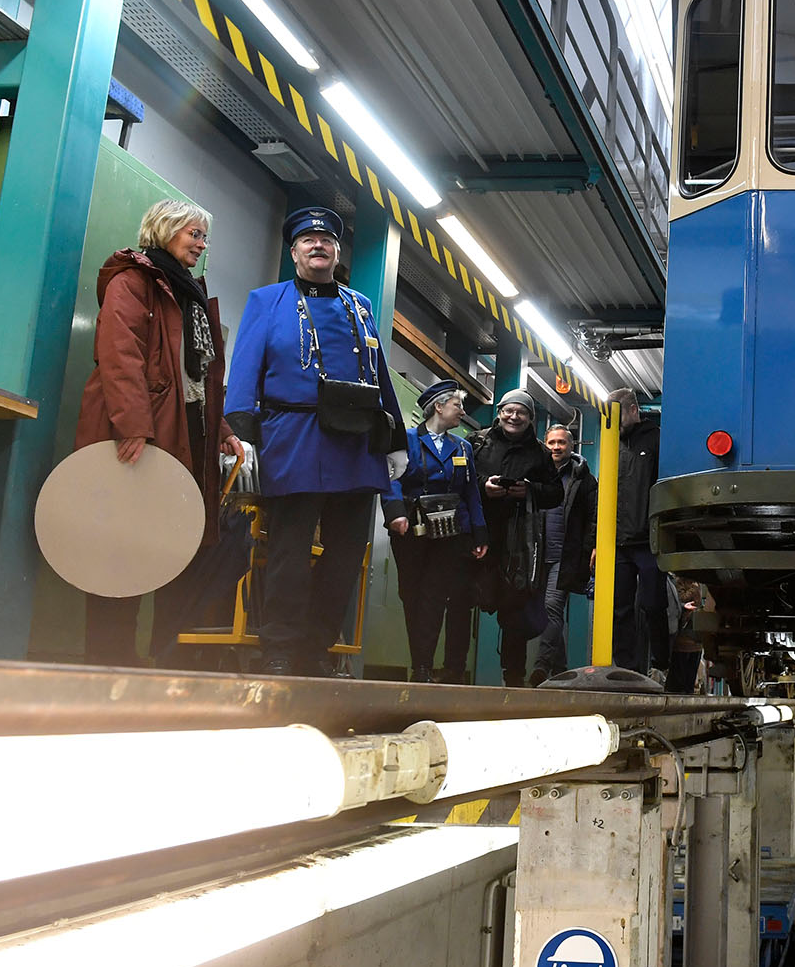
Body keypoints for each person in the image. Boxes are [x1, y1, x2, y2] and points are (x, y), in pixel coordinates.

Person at [224, 206, 407, 675]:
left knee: (346, 556)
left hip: (356, 443)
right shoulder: (268, 301)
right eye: (308, 240)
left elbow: (380, 374)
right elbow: (245, 368)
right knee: (289, 550)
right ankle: (279, 648)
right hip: (294, 437)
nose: (318, 245)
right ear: (294, 252)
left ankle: (316, 646)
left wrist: (395, 440)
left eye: (327, 240)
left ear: (337, 252)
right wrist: (242, 435)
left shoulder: (360, 305)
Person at [74, 200, 242, 666]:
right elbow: (119, 354)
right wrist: (132, 426)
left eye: (204, 237)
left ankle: (154, 662)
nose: (202, 244)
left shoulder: (187, 291)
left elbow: (198, 376)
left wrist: (220, 427)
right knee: (121, 546)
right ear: (165, 229)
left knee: (165, 548)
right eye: (194, 234)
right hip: (143, 435)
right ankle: (108, 658)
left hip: (183, 434)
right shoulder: (133, 280)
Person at [383, 380, 488, 683]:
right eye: (458, 405)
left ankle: (423, 668)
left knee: (434, 596)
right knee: (411, 594)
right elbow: (391, 478)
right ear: (439, 407)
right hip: (411, 528)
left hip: (449, 532)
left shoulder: (463, 447)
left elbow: (471, 492)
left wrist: (479, 533)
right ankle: (420, 660)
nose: (462, 412)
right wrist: (395, 513)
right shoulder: (406, 440)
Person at [473, 389, 563, 683]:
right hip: (479, 533)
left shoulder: (540, 453)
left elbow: (556, 493)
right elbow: (460, 481)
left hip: (519, 542)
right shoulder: (478, 443)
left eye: (521, 412)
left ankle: (514, 677)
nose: (514, 416)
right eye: (509, 411)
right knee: (463, 598)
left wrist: (530, 490)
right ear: (499, 413)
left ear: (530, 418)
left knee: (515, 610)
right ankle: (452, 670)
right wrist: (484, 487)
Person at [521, 422, 596, 686]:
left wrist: (593, 546)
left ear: (571, 446)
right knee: (542, 611)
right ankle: (560, 669)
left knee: (552, 608)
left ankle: (540, 668)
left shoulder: (584, 479)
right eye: (551, 442)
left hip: (565, 556)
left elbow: (593, 517)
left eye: (561, 442)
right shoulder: (534, 473)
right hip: (535, 554)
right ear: (545, 444)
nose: (556, 447)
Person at [603, 387, 664, 677]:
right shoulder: (610, 443)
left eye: (618, 414)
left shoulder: (656, 439)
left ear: (632, 410)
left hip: (649, 539)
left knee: (653, 604)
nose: (613, 421)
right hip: (617, 542)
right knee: (619, 608)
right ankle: (628, 668)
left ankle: (660, 664)